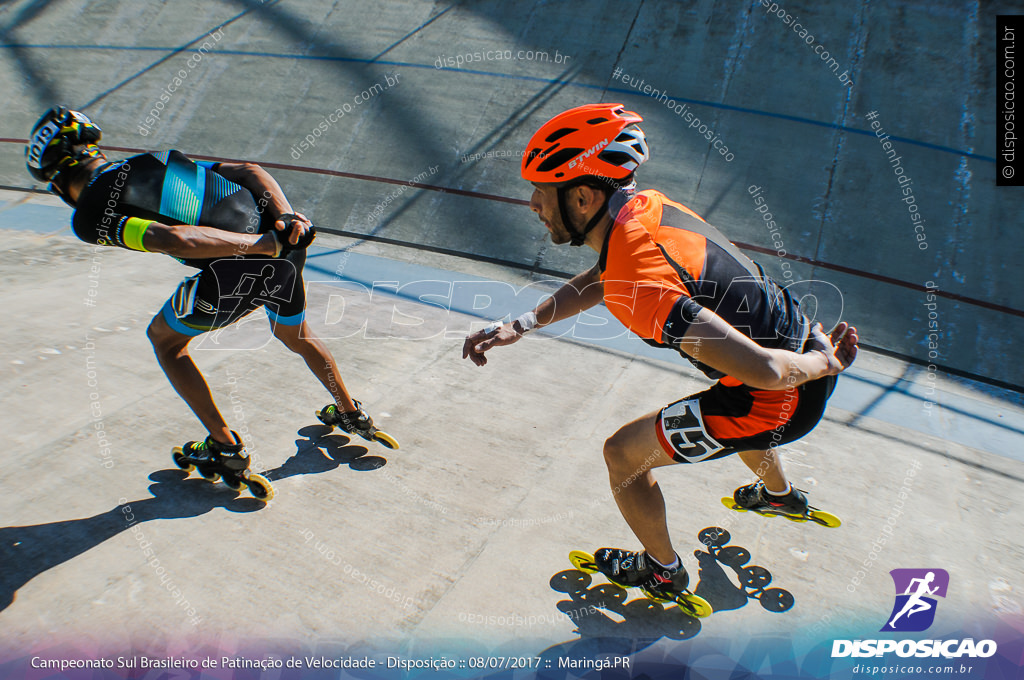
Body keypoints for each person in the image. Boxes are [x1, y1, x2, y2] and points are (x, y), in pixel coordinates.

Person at [462, 103, 858, 599]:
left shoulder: (641, 284)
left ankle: (662, 570)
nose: (533, 205)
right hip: (792, 344)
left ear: (582, 197)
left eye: (540, 192)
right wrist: (520, 325)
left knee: (623, 455)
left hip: (785, 379)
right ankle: (777, 497)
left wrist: (827, 362)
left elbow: (767, 371)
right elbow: (604, 278)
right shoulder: (642, 210)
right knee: (728, 403)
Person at [26, 107, 395, 499]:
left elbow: (175, 240)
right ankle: (350, 411)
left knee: (165, 341)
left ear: (60, 180)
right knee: (296, 334)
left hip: (240, 268)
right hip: (287, 247)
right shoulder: (156, 160)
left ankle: (226, 448)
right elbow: (249, 170)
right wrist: (285, 218)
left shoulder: (90, 214)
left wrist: (260, 246)